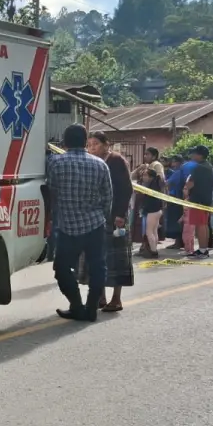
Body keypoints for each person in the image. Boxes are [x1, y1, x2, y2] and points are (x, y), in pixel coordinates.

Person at [46, 123, 112, 321]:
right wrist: (103, 218)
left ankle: (76, 305)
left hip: (67, 227)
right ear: (85, 142)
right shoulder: (100, 164)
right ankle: (91, 309)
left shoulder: (55, 163)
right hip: (95, 225)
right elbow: (108, 197)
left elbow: (51, 193)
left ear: (65, 142)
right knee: (98, 267)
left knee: (61, 268)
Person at [82, 131, 134, 312]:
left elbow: (126, 189)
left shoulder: (116, 160)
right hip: (97, 217)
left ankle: (116, 299)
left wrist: (120, 215)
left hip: (115, 218)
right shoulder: (92, 162)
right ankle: (100, 297)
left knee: (116, 258)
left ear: (106, 144)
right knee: (98, 258)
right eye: (89, 144)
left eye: (95, 143)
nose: (92, 147)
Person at [183, 145, 213, 258]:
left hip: (198, 200)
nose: (192, 155)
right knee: (204, 224)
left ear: (199, 155)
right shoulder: (209, 166)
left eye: (194, 153)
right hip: (206, 199)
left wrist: (187, 187)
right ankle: (203, 248)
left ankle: (202, 250)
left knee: (200, 225)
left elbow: (190, 184)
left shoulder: (198, 168)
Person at [138, 166, 165, 259]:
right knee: (154, 231)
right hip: (157, 210)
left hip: (152, 211)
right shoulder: (155, 185)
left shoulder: (151, 186)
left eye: (145, 175)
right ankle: (154, 249)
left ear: (151, 177)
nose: (143, 177)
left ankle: (153, 251)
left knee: (149, 232)